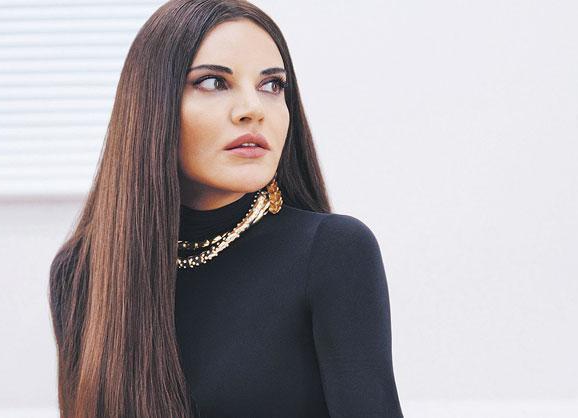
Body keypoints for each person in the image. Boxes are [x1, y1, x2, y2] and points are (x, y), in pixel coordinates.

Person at [48, 1, 403, 417]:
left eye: (272, 85)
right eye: (214, 82)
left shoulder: (333, 252)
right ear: (152, 105)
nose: (253, 109)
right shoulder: (82, 273)